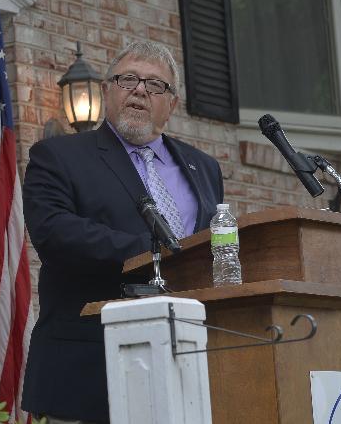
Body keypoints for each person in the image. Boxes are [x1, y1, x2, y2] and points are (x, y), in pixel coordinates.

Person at [21, 41, 224, 424]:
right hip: (88, 369)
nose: (140, 90)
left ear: (172, 104)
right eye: (128, 79)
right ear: (107, 90)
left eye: (155, 85)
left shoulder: (204, 167)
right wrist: (155, 253)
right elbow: (53, 233)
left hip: (190, 363)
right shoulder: (59, 156)